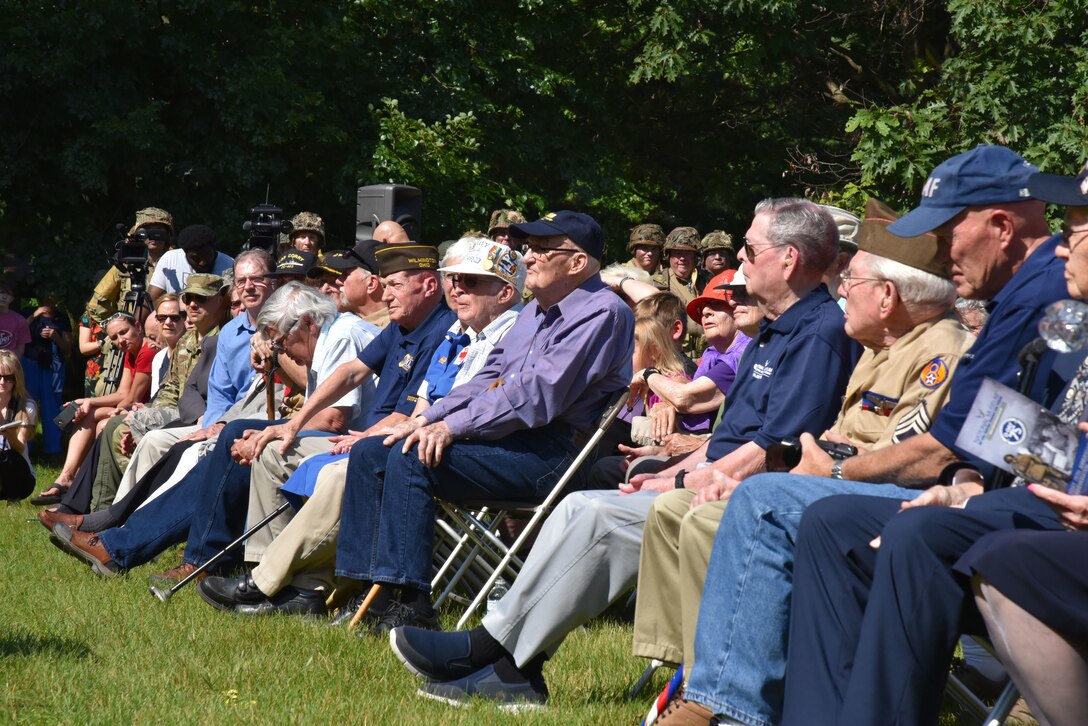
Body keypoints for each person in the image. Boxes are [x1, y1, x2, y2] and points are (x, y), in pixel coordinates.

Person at [387, 199, 858, 708]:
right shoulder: (774, 331)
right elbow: (730, 442)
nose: (737, 263)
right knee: (578, 507)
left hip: (749, 500)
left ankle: (492, 651)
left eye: (748, 249)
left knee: (595, 515)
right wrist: (669, 471)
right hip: (715, 483)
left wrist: (677, 482)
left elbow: (777, 449)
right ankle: (511, 665)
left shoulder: (818, 334)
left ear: (787, 260)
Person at [641, 198, 973, 725]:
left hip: (907, 505)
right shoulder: (879, 351)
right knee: (730, 500)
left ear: (887, 297)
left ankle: (728, 702)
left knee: (755, 503)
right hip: (846, 490)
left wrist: (806, 473)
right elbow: (832, 444)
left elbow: (909, 458)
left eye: (854, 280)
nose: (840, 288)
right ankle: (711, 680)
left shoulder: (939, 354)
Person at [777, 146, 1075, 726]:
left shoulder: (1044, 294)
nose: (937, 255)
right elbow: (999, 434)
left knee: (910, 531)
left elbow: (1039, 446)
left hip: (1049, 512)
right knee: (832, 523)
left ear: (1000, 225)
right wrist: (965, 477)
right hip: (1016, 494)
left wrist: (963, 482)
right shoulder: (1021, 294)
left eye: (1080, 232)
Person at [195, 238, 527, 617]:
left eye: (469, 282)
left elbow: (454, 408)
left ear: (504, 292)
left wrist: (370, 438)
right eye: (456, 280)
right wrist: (294, 424)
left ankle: (288, 586)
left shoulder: (488, 333)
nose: (458, 289)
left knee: (346, 471)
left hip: (448, 449)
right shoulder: (457, 335)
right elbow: (398, 393)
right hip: (405, 439)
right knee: (276, 450)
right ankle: (270, 575)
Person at [50, 281, 374, 579]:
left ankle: (185, 556)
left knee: (238, 435)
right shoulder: (330, 332)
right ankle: (145, 549)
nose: (283, 349)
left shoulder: (340, 336)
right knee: (231, 440)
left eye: (282, 340)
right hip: (340, 436)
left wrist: (274, 431)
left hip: (355, 441)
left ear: (305, 323)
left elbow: (334, 419)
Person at [34, 311, 154, 503]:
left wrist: (96, 406)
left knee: (99, 422)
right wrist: (87, 401)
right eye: (114, 337)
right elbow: (123, 394)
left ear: (138, 327)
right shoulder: (131, 353)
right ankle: (70, 478)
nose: (120, 340)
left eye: (124, 332)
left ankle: (77, 482)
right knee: (88, 412)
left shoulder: (147, 351)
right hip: (134, 407)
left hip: (147, 410)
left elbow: (132, 398)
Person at [22, 299, 72, 454]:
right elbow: (18, 329)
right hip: (30, 363)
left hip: (53, 367)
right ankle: (24, 446)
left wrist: (55, 336)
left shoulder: (61, 317)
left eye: (53, 297)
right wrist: (34, 315)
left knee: (52, 406)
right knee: (27, 404)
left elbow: (68, 346)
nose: (48, 300)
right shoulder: (27, 312)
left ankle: (53, 448)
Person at [148, 224, 234, 301]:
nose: (202, 263)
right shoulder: (170, 260)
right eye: (195, 258)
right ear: (184, 253)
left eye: (207, 255)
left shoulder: (230, 265)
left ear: (214, 249)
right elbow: (149, 302)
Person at [0, 351, 38, 501]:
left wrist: (10, 434)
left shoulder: (27, 407)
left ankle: (12, 499)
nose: (3, 382)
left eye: (8, 378)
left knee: (9, 457)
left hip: (21, 477)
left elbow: (21, 448)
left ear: (16, 379)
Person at [0, 279, 31, 357]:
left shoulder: (20, 321)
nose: (4, 296)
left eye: (9, 294)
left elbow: (20, 351)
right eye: (2, 292)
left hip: (9, 366)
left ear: (12, 299)